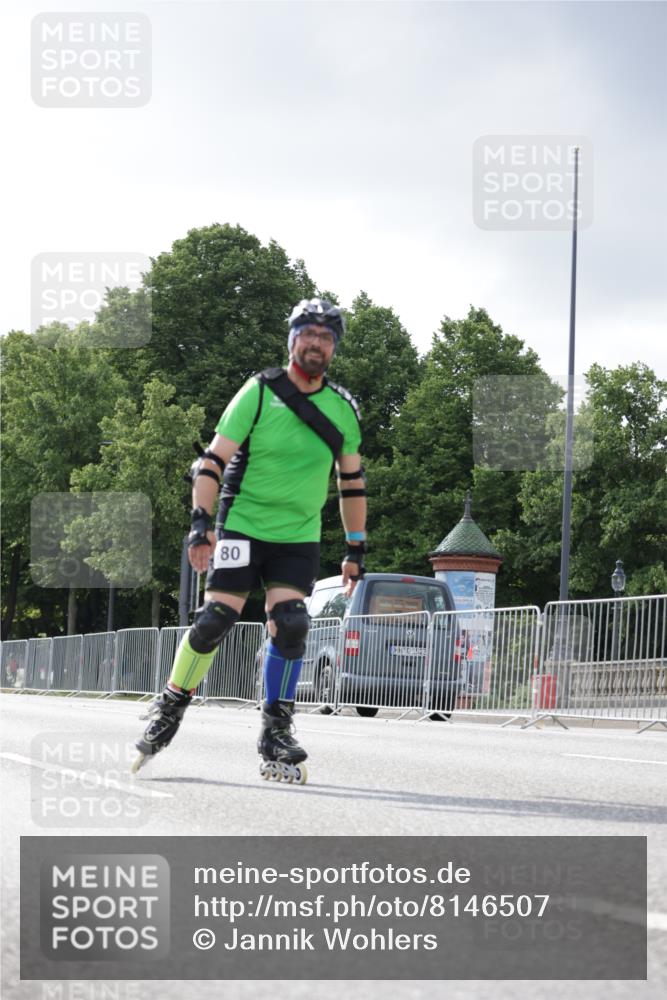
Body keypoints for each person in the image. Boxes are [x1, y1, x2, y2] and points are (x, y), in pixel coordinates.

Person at [133, 298, 367, 782]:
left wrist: (355, 548)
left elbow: (352, 484)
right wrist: (202, 525)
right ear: (292, 339)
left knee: (292, 623)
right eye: (309, 333)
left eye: (326, 337)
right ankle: (171, 705)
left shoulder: (342, 411)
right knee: (216, 619)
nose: (317, 343)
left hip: (297, 537)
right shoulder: (259, 392)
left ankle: (276, 730)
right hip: (241, 524)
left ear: (334, 348)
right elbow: (211, 463)